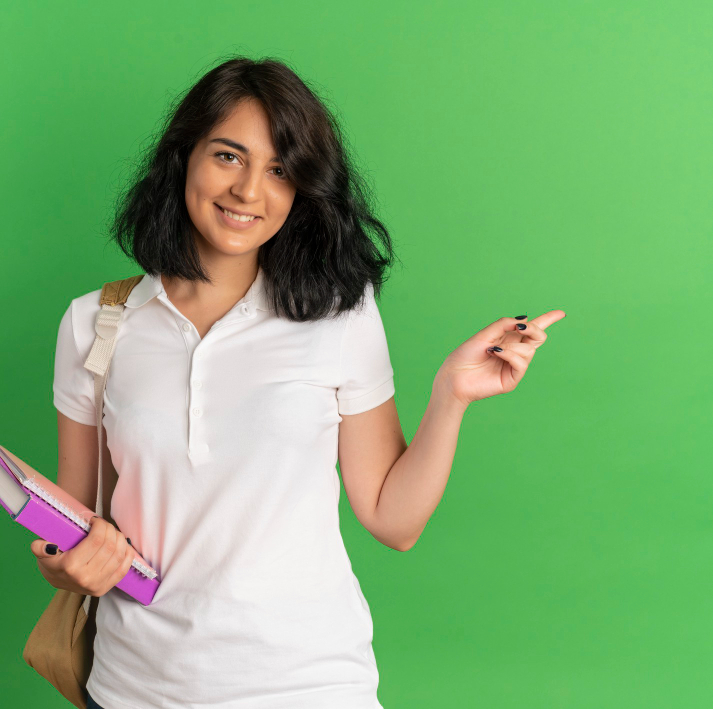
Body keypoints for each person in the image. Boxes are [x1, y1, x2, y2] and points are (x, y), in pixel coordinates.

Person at [30, 56, 565, 709]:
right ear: (183, 156)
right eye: (228, 156)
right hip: (136, 686)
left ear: (302, 189)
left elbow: (393, 520)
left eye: (281, 170)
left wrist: (450, 395)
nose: (249, 190)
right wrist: (62, 562)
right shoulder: (96, 323)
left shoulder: (340, 314)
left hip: (307, 682)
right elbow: (72, 520)